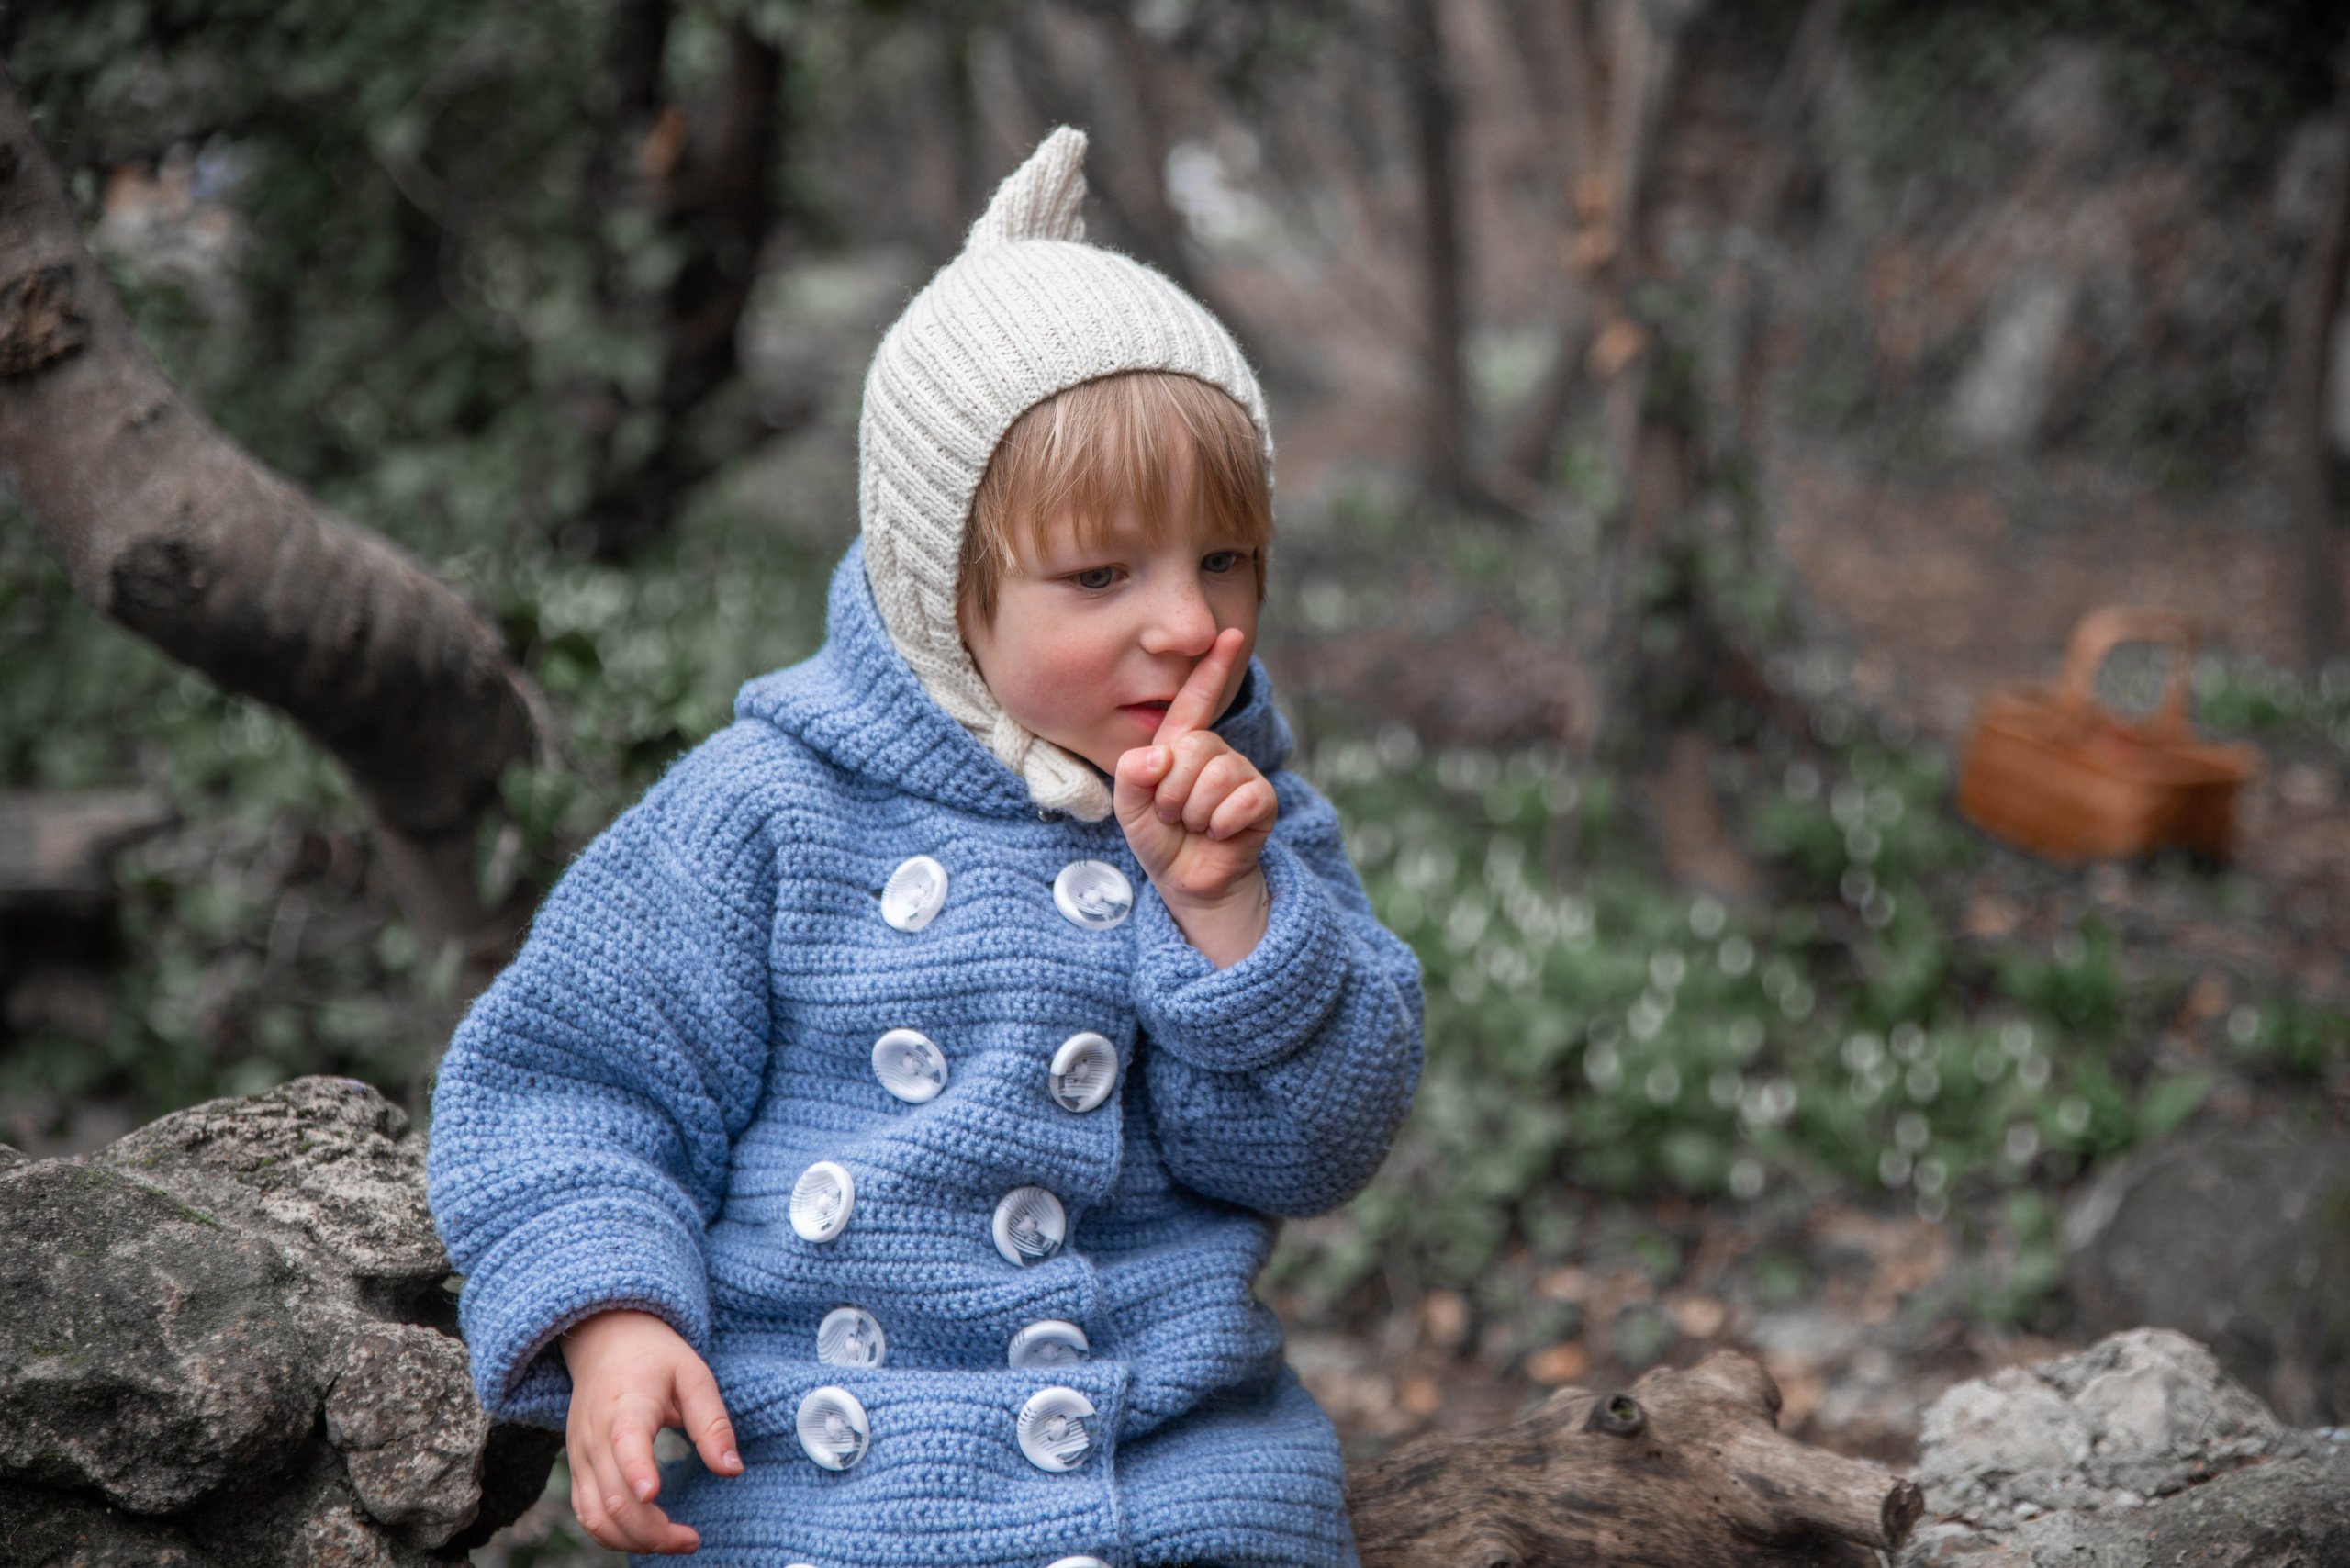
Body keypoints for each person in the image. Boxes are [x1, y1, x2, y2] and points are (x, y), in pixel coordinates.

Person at [428, 128, 1425, 1568]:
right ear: (939, 584)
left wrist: (1228, 919)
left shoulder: (1243, 820)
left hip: (1162, 1464)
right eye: (1101, 574)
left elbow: (1313, 1152)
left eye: (1225, 559)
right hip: (822, 1481)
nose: (1187, 623)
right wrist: (613, 1315)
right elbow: (568, 1084)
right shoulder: (768, 807)